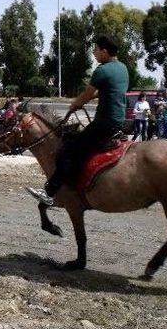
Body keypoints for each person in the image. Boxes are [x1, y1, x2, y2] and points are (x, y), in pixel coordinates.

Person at [27, 35, 129, 206]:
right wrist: (92, 97)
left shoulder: (102, 70)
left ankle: (50, 192)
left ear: (104, 51)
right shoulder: (122, 68)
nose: (94, 54)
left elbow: (86, 95)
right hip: (118, 121)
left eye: (96, 50)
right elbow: (110, 90)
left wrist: (75, 104)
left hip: (104, 123)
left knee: (69, 151)